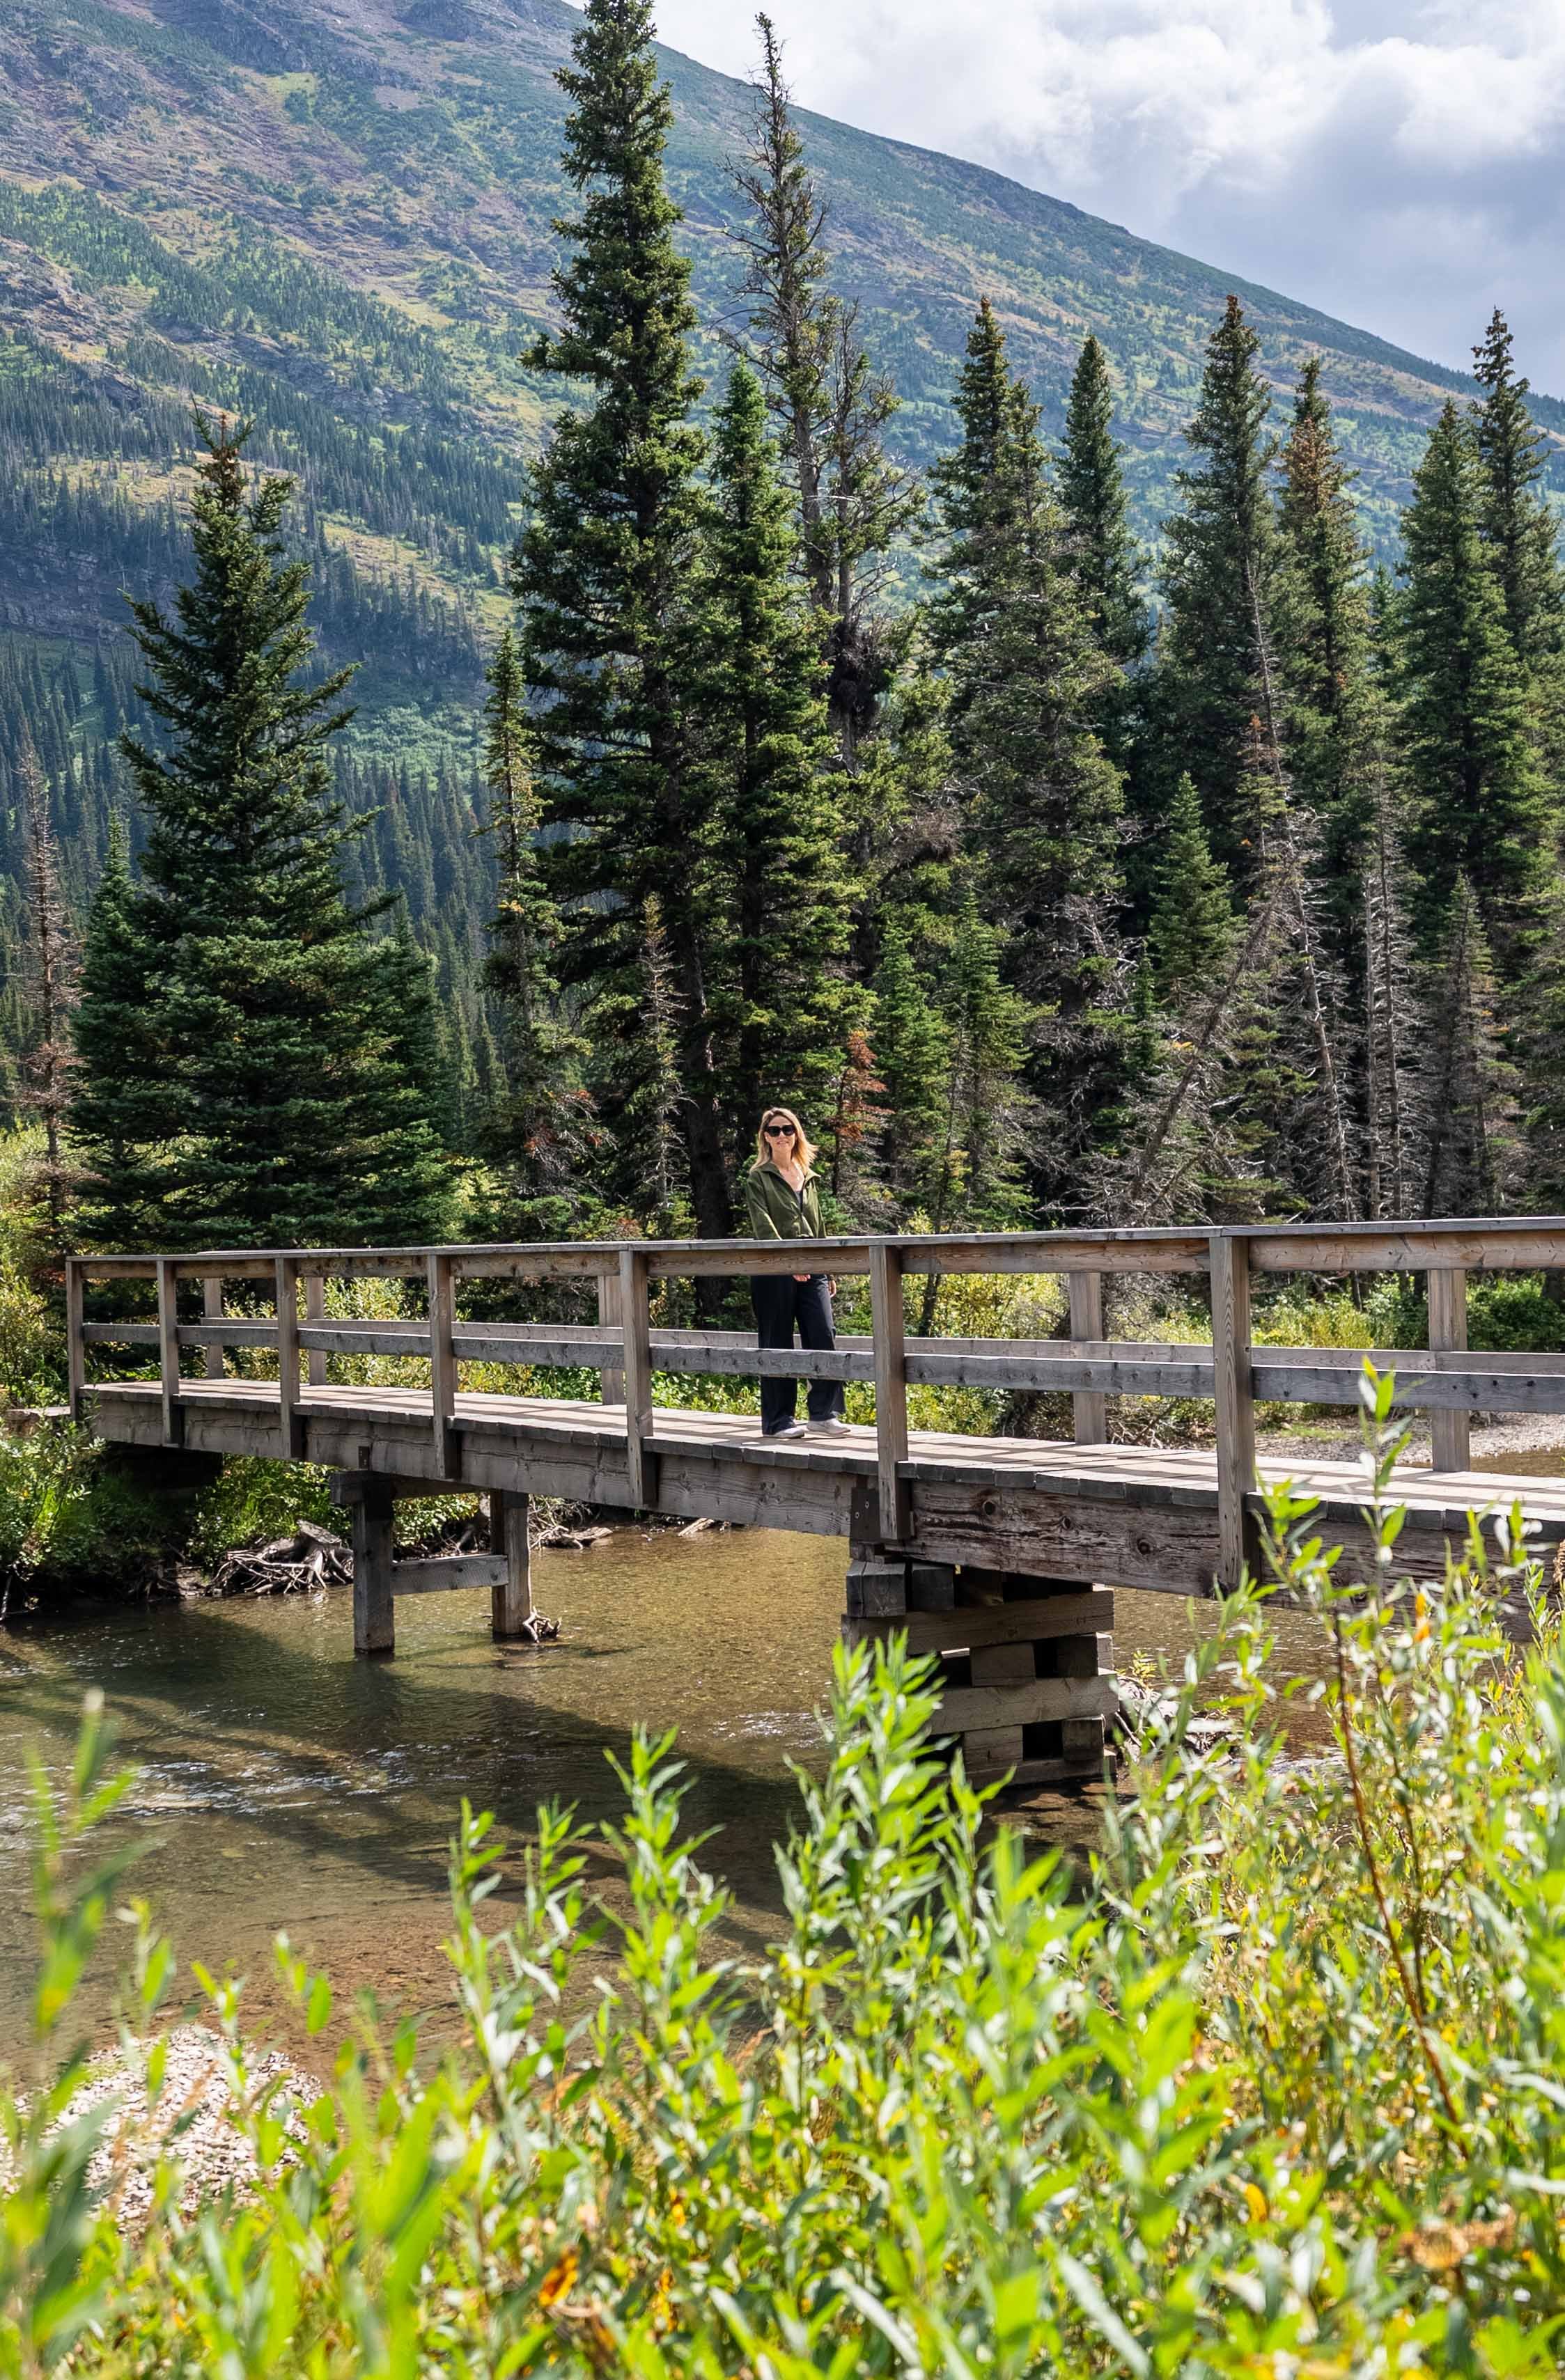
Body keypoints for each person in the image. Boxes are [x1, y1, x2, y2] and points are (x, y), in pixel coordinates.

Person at [742, 1106, 849, 1440]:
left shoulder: (809, 1176)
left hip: (813, 1265)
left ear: (797, 1134)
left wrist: (827, 1268)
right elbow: (763, 1226)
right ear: (765, 1137)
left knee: (823, 1332)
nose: (782, 1136)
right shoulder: (758, 1177)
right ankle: (779, 1421)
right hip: (774, 1269)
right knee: (777, 1341)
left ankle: (823, 1413)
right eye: (774, 1131)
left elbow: (819, 1226)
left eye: (788, 1129)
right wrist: (789, 1264)